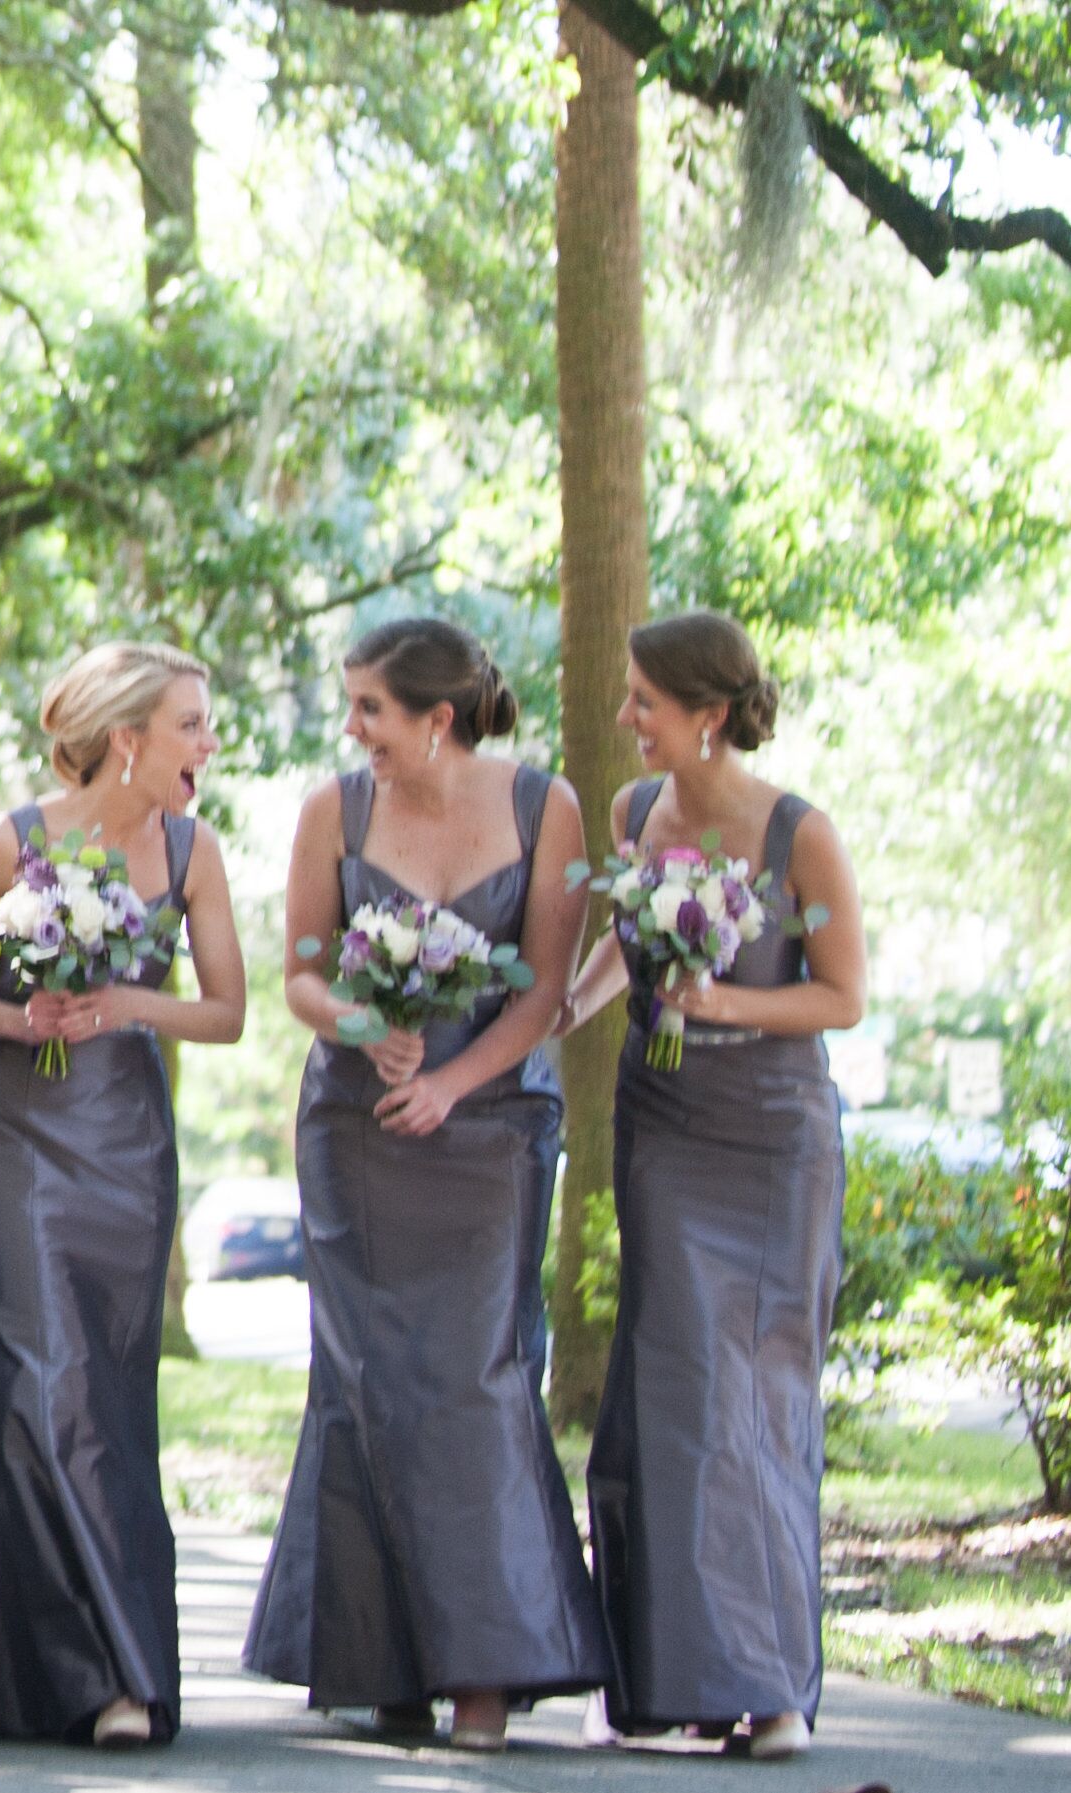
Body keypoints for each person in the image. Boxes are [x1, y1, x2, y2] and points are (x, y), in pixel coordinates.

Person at [242, 616, 608, 1750]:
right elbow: (300, 970)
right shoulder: (331, 812)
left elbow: (546, 990)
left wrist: (454, 1081)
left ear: (436, 717)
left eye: (370, 711)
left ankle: (488, 1672)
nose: (354, 731)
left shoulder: (548, 808)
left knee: (476, 1375)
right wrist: (360, 1020)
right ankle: (379, 1658)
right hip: (356, 1125)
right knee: (362, 1377)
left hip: (493, 1122)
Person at [0, 643, 244, 1748]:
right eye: (192, 724)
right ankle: (104, 1674)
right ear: (130, 736)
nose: (207, 745)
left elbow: (229, 1011)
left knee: (109, 1389)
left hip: (126, 1142)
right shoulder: (12, 838)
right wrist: (25, 1017)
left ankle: (43, 1664)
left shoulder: (194, 852)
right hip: (16, 1131)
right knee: (41, 1374)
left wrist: (128, 1005)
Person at [557, 612, 864, 1763]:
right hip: (665, 1122)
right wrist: (557, 1016)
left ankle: (773, 1685)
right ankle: (666, 1675)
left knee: (757, 1400)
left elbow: (841, 996)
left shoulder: (799, 834)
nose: (627, 716)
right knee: (669, 1390)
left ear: (710, 712)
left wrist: (721, 1001)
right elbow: (619, 949)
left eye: (643, 699)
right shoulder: (636, 816)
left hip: (774, 1135)